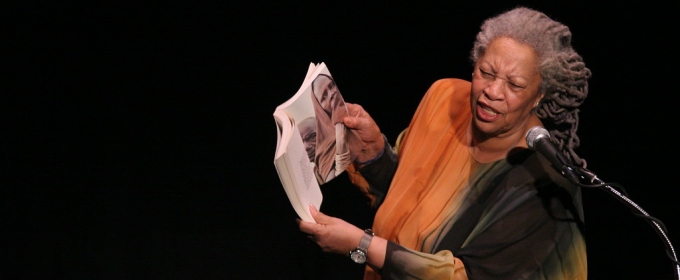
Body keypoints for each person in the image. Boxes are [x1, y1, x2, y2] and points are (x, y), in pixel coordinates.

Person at [298, 6, 591, 280]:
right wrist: (372, 154)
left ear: (539, 95)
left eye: (514, 84)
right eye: (486, 72)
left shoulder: (543, 182)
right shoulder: (445, 98)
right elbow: (406, 203)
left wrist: (360, 245)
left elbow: (464, 275)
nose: (492, 91)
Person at [311, 73, 354, 183]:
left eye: (332, 85)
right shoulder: (324, 149)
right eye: (324, 97)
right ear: (320, 110)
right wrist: (341, 149)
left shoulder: (355, 110)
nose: (332, 94)